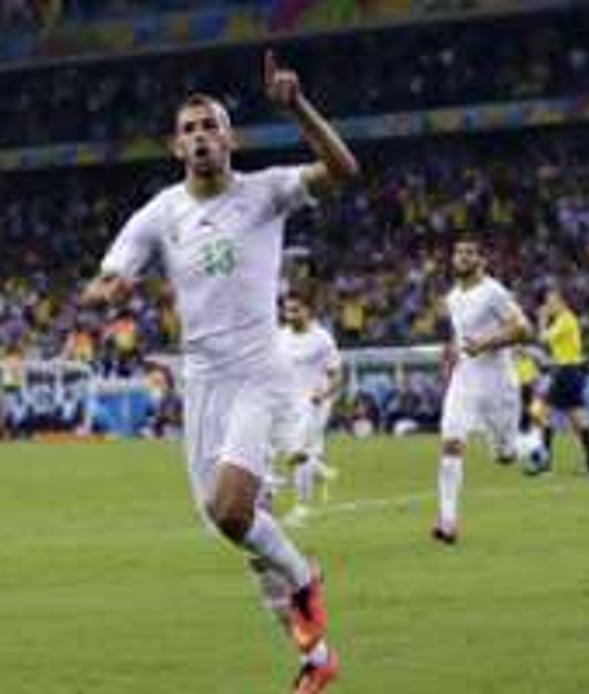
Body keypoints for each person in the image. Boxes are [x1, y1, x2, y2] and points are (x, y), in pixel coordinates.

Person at [81, 51, 357, 693]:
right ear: (177, 146)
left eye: (212, 125)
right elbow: (109, 276)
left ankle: (307, 580)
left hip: (260, 373)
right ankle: (317, 660)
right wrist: (108, 293)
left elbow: (344, 170)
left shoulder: (265, 192)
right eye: (191, 128)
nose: (202, 136)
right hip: (203, 383)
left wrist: (298, 108)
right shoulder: (161, 212)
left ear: (231, 138)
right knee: (233, 528)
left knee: (233, 513)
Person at [433, 234, 533, 544]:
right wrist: (450, 354)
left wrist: (487, 343)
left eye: (469, 253)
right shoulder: (452, 297)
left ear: (481, 260)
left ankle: (531, 445)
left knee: (505, 455)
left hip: (498, 383)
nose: (461, 257)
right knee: (451, 441)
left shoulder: (494, 292)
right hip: (464, 380)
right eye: (457, 252)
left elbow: (524, 329)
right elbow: (459, 337)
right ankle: (448, 521)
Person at [278, 289, 344, 527]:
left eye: (295, 310)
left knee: (300, 451)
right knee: (293, 451)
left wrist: (323, 393)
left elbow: (337, 376)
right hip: (287, 403)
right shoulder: (280, 337)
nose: (290, 315)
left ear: (308, 310)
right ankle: (324, 473)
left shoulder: (322, 339)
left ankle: (301, 508)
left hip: (314, 403)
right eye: (287, 310)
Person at [539, 289, 589, 475]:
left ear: (562, 303)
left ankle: (545, 465)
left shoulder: (565, 319)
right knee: (578, 418)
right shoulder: (565, 319)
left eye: (552, 302)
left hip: (566, 372)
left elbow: (544, 338)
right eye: (547, 302)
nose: (548, 306)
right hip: (573, 372)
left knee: (544, 414)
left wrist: (541, 319)